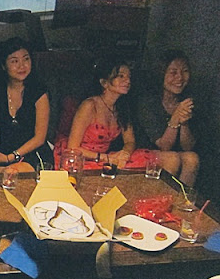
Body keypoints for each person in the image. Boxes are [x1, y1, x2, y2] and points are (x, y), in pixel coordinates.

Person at [0, 37, 53, 172]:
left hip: (33, 153)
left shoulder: (39, 92)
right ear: (3, 65)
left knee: (10, 173)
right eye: (14, 61)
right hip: (5, 151)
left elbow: (40, 138)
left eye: (26, 59)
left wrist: (11, 157)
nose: (22, 66)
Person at [67, 57, 150, 170]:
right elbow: (72, 148)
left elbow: (130, 141)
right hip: (81, 159)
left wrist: (124, 154)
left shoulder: (121, 106)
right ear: (104, 82)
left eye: (129, 77)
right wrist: (106, 158)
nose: (128, 81)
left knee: (156, 159)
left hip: (106, 158)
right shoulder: (90, 106)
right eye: (121, 76)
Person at [136, 50, 199, 186]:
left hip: (174, 153)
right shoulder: (148, 102)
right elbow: (164, 145)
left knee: (192, 158)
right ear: (161, 74)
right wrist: (175, 118)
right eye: (173, 72)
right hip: (146, 153)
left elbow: (188, 147)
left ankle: (181, 198)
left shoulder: (186, 101)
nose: (180, 77)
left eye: (185, 71)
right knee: (173, 159)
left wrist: (184, 123)